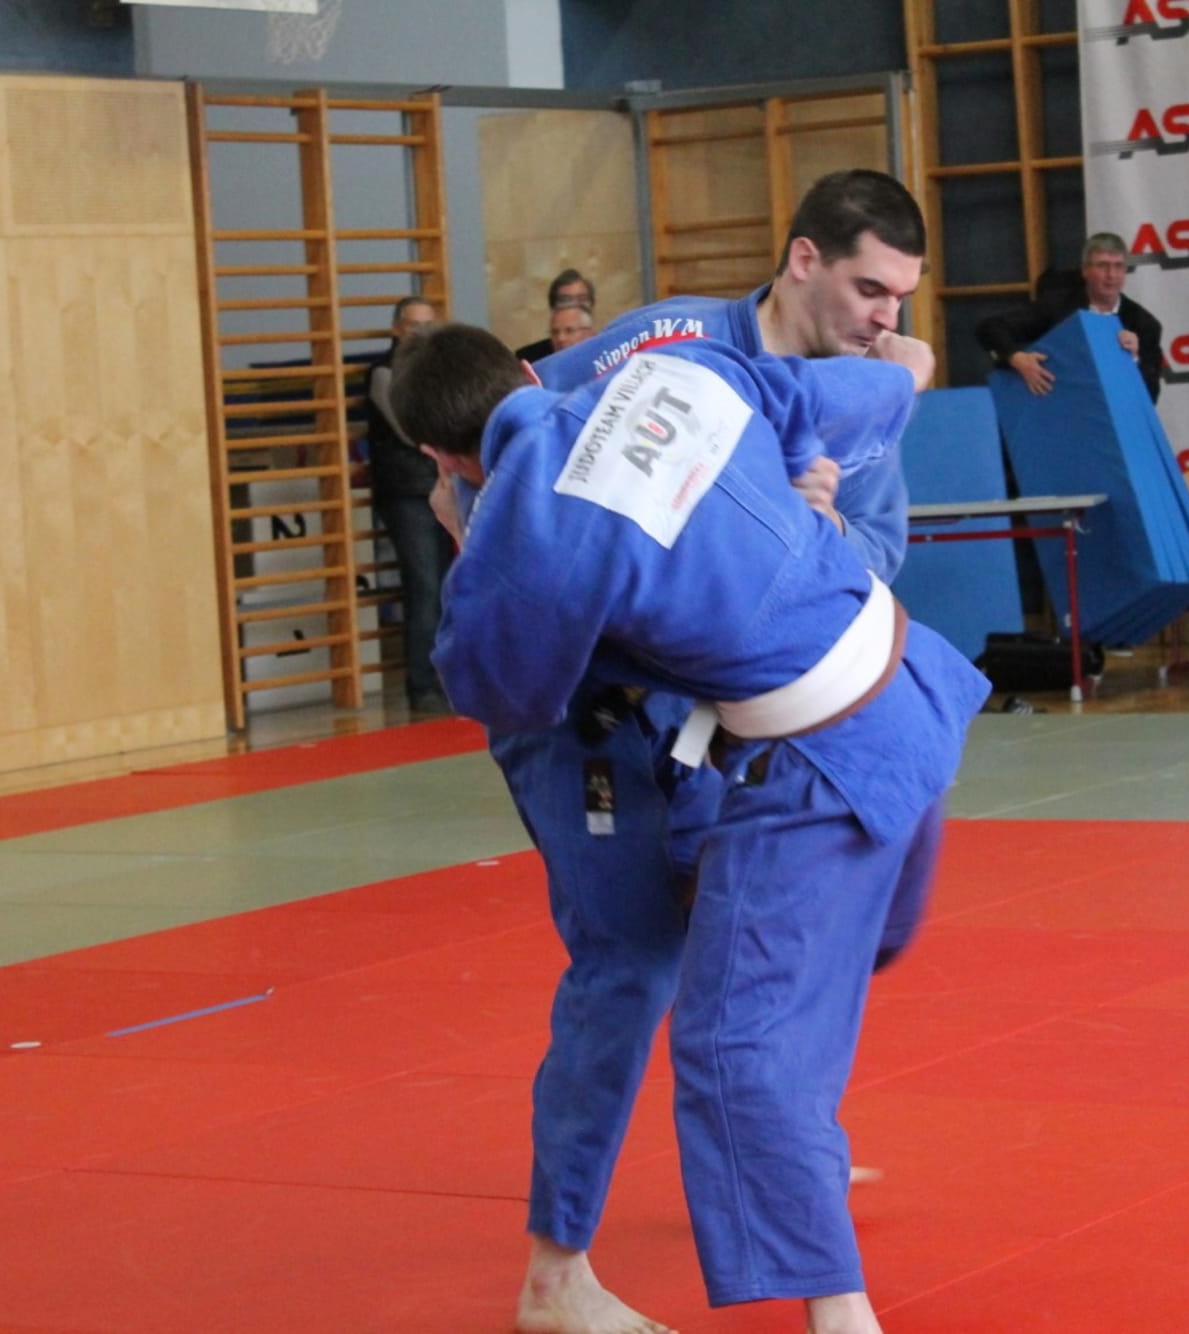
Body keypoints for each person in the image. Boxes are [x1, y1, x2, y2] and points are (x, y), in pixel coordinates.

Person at [393, 322, 988, 1334]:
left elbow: (495, 685)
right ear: (530, 371)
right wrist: (904, 377)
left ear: (436, 456)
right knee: (702, 962)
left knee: (732, 1039)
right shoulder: (679, 367)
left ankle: (825, 1269)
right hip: (912, 698)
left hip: (805, 754)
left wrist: (473, 540)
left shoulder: (522, 532)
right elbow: (837, 396)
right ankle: (569, 1267)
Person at [470, 169, 927, 1333]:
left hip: (728, 722)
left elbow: (872, 558)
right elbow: (499, 443)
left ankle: (785, 1156)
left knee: (813, 935)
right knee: (632, 964)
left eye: (901, 299)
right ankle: (554, 1270)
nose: (886, 319)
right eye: (869, 289)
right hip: (589, 710)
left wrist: (814, 523)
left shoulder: (864, 399)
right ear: (802, 259)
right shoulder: (666, 342)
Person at [363, 295, 451, 713]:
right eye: (414, 325)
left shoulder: (435, 371)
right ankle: (421, 684)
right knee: (425, 586)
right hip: (406, 492)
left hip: (440, 487)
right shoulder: (384, 373)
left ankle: (447, 678)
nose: (422, 332)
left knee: (449, 585)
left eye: (428, 324)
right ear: (398, 329)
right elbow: (409, 429)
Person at [976, 232, 1165, 402]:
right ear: (1085, 270)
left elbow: (1150, 396)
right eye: (1102, 266)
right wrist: (1017, 358)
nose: (1111, 275)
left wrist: (1134, 360)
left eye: (1118, 266)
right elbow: (990, 328)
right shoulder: (1058, 306)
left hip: (1109, 417)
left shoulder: (1143, 324)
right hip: (1058, 409)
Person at [516, 268, 599, 362]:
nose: (574, 305)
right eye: (566, 300)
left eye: (582, 299)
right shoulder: (530, 359)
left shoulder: (607, 353)